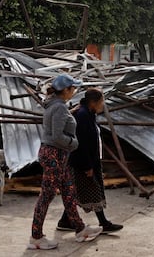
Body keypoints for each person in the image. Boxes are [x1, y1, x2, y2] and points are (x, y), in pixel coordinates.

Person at [29, 74, 102, 250]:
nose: (75, 91)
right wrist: (74, 143)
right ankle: (36, 237)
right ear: (66, 90)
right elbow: (57, 136)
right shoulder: (59, 107)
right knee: (46, 196)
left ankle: (80, 229)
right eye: (73, 88)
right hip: (54, 154)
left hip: (59, 155)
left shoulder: (56, 105)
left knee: (69, 193)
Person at [58, 89, 123, 233]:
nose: (102, 105)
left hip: (89, 160)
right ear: (93, 102)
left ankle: (64, 220)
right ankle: (104, 223)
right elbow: (82, 143)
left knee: (76, 192)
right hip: (82, 162)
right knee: (93, 190)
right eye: (101, 102)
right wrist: (87, 165)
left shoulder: (89, 113)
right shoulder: (83, 115)